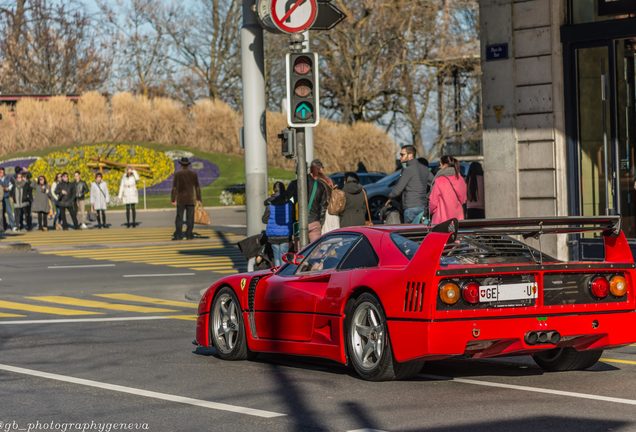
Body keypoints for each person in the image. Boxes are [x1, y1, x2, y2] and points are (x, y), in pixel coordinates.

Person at [286, 160, 328, 243]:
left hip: (299, 223)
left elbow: (289, 201)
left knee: (301, 253)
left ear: (297, 171)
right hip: (314, 221)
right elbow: (323, 205)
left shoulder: (293, 184)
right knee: (316, 250)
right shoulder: (319, 185)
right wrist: (320, 221)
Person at [388, 145, 433, 224]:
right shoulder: (425, 169)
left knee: (409, 234)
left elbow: (397, 191)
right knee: (420, 234)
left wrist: (389, 196)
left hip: (410, 208)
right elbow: (434, 183)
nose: (400, 157)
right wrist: (427, 196)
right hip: (423, 207)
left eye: (402, 155)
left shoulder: (408, 170)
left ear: (410, 155)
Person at [429, 155, 467, 224]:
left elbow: (433, 202)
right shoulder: (460, 179)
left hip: (441, 219)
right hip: (457, 218)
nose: (439, 166)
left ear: (445, 165)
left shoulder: (439, 180)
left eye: (440, 164)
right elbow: (464, 199)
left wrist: (431, 211)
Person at [262, 181, 293, 266]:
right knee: (284, 256)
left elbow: (264, 220)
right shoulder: (289, 203)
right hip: (285, 234)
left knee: (276, 256)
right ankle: (283, 275)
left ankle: (277, 274)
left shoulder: (269, 204)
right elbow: (292, 217)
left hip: (273, 235)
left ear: (274, 190)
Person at [170, 157, 201, 240]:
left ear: (180, 164)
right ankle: (189, 234)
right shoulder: (193, 174)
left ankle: (178, 234)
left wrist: (173, 199)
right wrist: (198, 199)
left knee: (179, 217)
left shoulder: (177, 174)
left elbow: (174, 188)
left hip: (181, 199)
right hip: (191, 199)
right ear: (188, 165)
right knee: (190, 218)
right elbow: (197, 187)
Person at [0, 167, 15, 231]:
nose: (1, 173)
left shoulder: (7, 178)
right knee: (1, 213)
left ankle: (12, 226)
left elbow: (11, 185)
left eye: (2, 172)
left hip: (6, 197)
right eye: (0, 172)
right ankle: (3, 226)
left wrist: (7, 188)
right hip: (0, 198)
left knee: (9, 211)